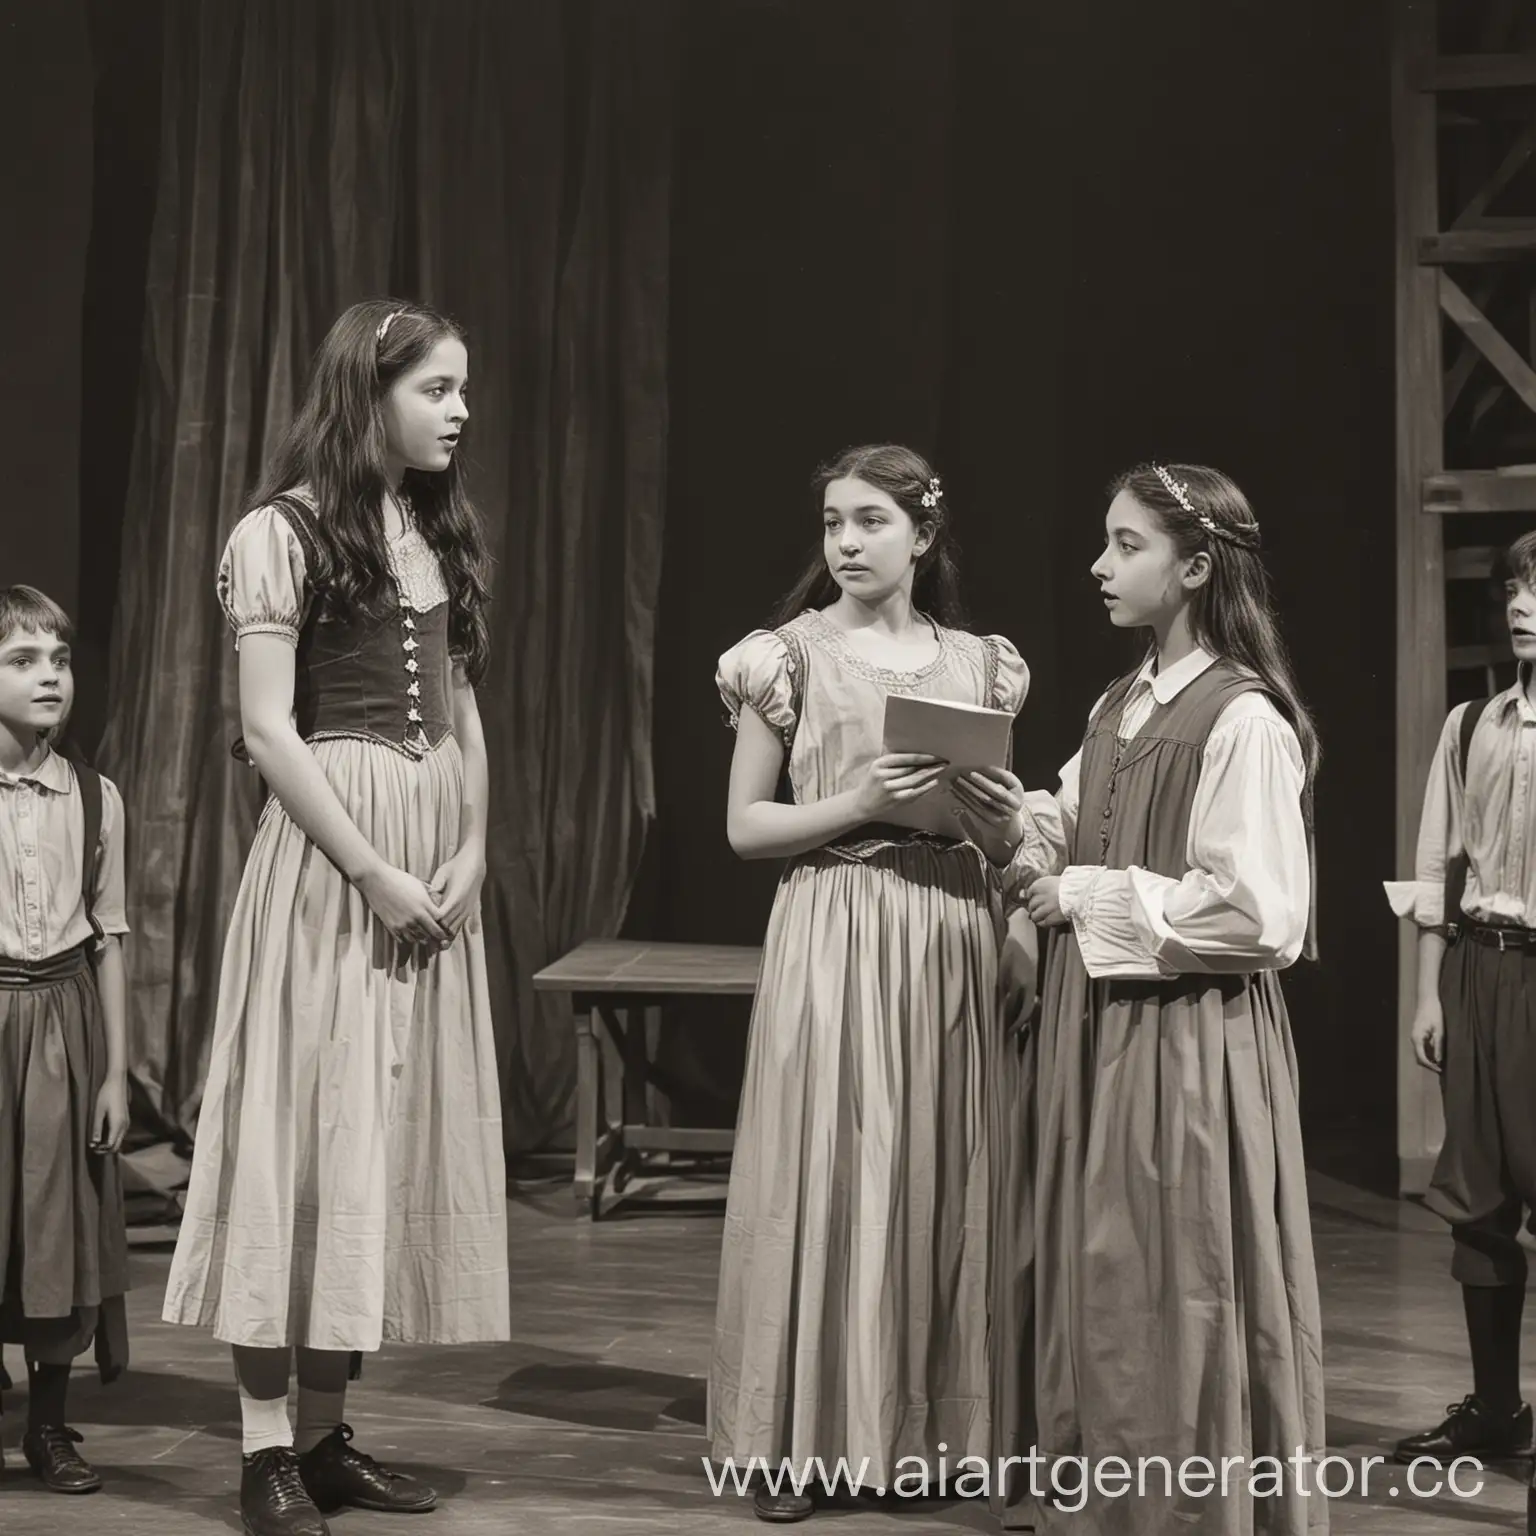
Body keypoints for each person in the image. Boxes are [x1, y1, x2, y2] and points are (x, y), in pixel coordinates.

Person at [160, 300, 508, 1536]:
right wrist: (370, 869)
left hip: (426, 847)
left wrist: (471, 839)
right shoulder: (281, 532)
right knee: (298, 1136)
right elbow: (267, 731)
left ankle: (323, 1436)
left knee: (372, 1142)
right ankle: (263, 1452)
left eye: (465, 388)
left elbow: (461, 712)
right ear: (371, 392)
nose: (461, 410)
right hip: (333, 856)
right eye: (438, 389)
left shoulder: (427, 532)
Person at [974, 463, 1326, 1533]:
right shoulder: (1117, 705)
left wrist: (1075, 888)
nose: (1100, 565)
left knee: (1180, 1282)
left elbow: (1261, 915)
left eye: (1127, 544)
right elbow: (1075, 825)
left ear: (1198, 565)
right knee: (1102, 1280)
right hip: (1100, 1030)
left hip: (1189, 1045)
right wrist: (1013, 823)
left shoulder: (1242, 720)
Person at [707, 443, 1032, 1522]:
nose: (846, 543)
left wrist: (996, 816)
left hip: (949, 929)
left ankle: (938, 1431)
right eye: (836, 524)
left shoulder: (983, 666)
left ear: (923, 536)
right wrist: (858, 802)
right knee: (830, 1173)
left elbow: (1006, 833)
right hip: (837, 923)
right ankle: (797, 1441)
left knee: (943, 1171)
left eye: (872, 524)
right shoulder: (784, 658)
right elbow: (748, 827)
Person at [1386, 529, 1536, 1510]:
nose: (1522, 601)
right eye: (1518, 585)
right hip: (1484, 973)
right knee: (1479, 1198)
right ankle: (1494, 1405)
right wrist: (1429, 988)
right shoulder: (1473, 721)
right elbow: (1442, 864)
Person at [0, 584, 130, 1495]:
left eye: (61, 659)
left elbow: (109, 935)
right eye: (22, 660)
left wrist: (116, 1072)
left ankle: (48, 1424)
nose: (50, 677)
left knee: (58, 1225)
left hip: (64, 1023)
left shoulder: (94, 795)